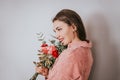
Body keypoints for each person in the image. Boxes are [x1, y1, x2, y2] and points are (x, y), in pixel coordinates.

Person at [36, 9, 93, 80]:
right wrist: (48, 74)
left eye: (59, 29)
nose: (57, 35)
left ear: (73, 27)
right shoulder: (85, 49)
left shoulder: (71, 54)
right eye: (55, 31)